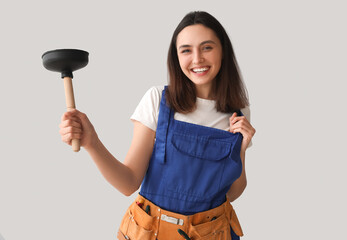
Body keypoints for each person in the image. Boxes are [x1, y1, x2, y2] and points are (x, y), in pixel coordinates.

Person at [59, 11, 255, 240]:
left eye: (207, 47)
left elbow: (232, 193)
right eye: (186, 50)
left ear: (223, 51)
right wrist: (92, 142)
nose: (197, 59)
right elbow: (128, 182)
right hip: (152, 233)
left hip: (213, 233)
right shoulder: (158, 101)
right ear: (176, 57)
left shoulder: (238, 114)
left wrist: (240, 150)